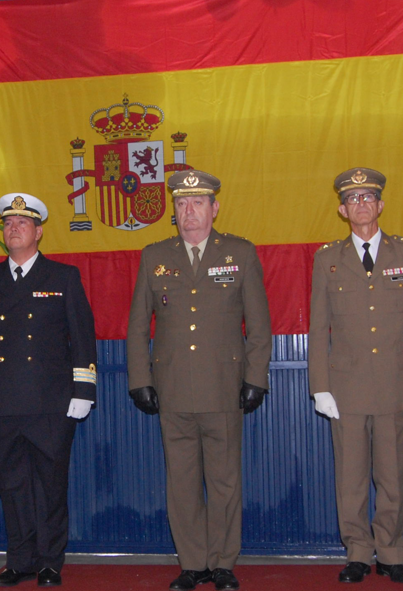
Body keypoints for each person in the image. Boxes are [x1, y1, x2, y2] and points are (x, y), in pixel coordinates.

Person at [126, 171, 272, 591]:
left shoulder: (239, 254)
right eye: (181, 204)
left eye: (197, 203)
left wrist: (255, 378)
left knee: (225, 481)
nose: (188, 212)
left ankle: (223, 562)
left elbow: (259, 327)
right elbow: (138, 327)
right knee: (183, 481)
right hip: (172, 388)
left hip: (224, 387)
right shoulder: (154, 256)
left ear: (214, 208)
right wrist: (140, 379)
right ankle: (193, 563)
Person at [0, 193, 97, 588]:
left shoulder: (62, 277)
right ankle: (20, 561)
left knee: (51, 485)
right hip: (2, 402)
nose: (13, 228)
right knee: (12, 485)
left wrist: (83, 390)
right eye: (7, 223)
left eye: (22, 223)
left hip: (52, 403)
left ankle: (51, 561)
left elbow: (82, 337)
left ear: (38, 231)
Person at [307, 168, 403, 585]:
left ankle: (392, 552)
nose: (361, 204)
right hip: (345, 387)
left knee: (393, 473)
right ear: (342, 210)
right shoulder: (327, 258)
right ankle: (358, 552)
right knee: (351, 477)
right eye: (353, 199)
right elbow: (318, 327)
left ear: (380, 205)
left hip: (397, 386)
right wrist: (320, 387)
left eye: (369, 197)